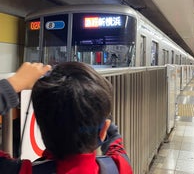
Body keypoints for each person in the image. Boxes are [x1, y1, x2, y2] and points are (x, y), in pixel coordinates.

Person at [0, 61, 133, 174]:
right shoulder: (119, 167)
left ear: (40, 126)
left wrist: (14, 84)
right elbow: (115, 141)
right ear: (103, 130)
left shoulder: (19, 171)